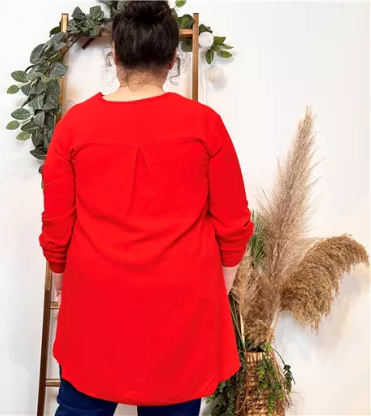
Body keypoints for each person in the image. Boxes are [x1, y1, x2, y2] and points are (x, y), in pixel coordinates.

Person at [40, 0, 253, 414]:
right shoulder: (204, 125)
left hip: (95, 299)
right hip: (182, 304)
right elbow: (233, 223)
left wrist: (64, 280)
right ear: (173, 59)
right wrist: (218, 285)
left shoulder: (74, 127)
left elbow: (57, 225)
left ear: (115, 56)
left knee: (81, 408)